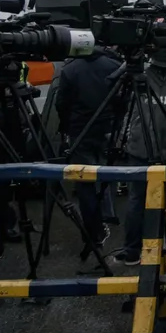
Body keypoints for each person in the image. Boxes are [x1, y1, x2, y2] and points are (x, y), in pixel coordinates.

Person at [111, 35, 166, 266]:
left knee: (137, 200)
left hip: (141, 146)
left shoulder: (139, 70)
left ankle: (133, 251)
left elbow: (114, 96)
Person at [56, 43, 125, 248]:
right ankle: (107, 215)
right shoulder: (114, 65)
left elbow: (62, 104)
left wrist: (67, 128)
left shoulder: (70, 69)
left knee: (85, 182)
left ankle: (93, 232)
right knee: (106, 175)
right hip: (108, 128)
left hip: (81, 131)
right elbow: (123, 99)